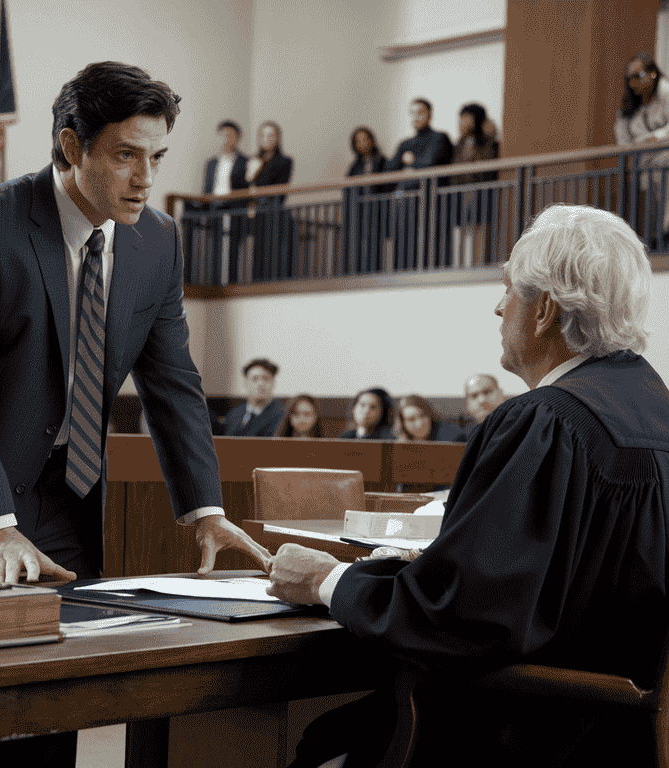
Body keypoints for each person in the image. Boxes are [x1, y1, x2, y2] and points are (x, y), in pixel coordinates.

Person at [268, 205, 669, 766]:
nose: (498, 306)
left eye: (508, 289)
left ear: (545, 311)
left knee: (326, 741)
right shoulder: (655, 408)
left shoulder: (546, 422)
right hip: (632, 736)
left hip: (534, 729)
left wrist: (327, 580)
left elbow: (464, 617)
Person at [0, 61, 271, 585]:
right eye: (127, 155)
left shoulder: (158, 241)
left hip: (67, 498)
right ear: (73, 148)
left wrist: (205, 511)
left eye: (157, 157)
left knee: (72, 649)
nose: (146, 179)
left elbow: (174, 384)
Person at [386, 98, 453, 269]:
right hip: (406, 203)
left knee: (431, 243)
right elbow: (389, 171)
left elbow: (430, 163)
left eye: (421, 112)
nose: (416, 117)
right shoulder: (405, 143)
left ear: (430, 115)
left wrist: (410, 162)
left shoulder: (440, 138)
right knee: (404, 244)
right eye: (413, 113)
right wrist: (411, 164)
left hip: (432, 202)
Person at [614, 53, 669, 249]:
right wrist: (638, 145)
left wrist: (654, 138)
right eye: (629, 78)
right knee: (655, 204)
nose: (633, 82)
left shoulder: (666, 93)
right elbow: (623, 140)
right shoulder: (628, 107)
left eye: (638, 76)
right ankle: (658, 237)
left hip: (665, 160)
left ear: (653, 74)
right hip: (646, 167)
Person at [184, 120, 248, 284]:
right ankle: (214, 281)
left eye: (229, 135)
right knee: (215, 246)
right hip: (215, 208)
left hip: (234, 208)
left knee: (233, 248)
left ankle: (231, 283)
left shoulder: (244, 162)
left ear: (237, 138)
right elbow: (207, 188)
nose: (225, 139)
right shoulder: (211, 163)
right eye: (222, 136)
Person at [451, 103, 499, 266]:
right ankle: (460, 265)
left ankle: (476, 264)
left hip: (479, 193)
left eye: (466, 118)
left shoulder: (487, 142)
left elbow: (487, 165)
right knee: (460, 232)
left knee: (478, 231)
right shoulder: (459, 144)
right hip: (461, 193)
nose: (461, 123)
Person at [245, 121, 294, 281]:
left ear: (278, 138)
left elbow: (277, 187)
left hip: (274, 211)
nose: (266, 139)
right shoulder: (252, 160)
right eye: (263, 135)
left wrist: (256, 172)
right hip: (256, 213)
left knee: (274, 251)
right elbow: (244, 185)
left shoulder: (284, 161)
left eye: (271, 135)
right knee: (258, 251)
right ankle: (257, 281)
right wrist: (251, 175)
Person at [342, 127, 388, 274]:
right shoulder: (354, 167)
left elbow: (387, 185)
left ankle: (374, 275)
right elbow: (347, 189)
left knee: (375, 247)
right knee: (356, 248)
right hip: (358, 213)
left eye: (365, 139)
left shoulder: (381, 160)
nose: (362, 143)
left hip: (377, 212)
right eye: (358, 141)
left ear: (371, 140)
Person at [223, 358, 285, 436]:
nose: (261, 384)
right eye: (255, 379)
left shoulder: (283, 416)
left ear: (273, 383)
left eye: (266, 379)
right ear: (245, 383)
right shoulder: (234, 415)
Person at [396, 394, 468, 442]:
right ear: (403, 424)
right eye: (411, 419)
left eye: (423, 415)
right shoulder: (400, 443)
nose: (419, 423)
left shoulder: (451, 437)